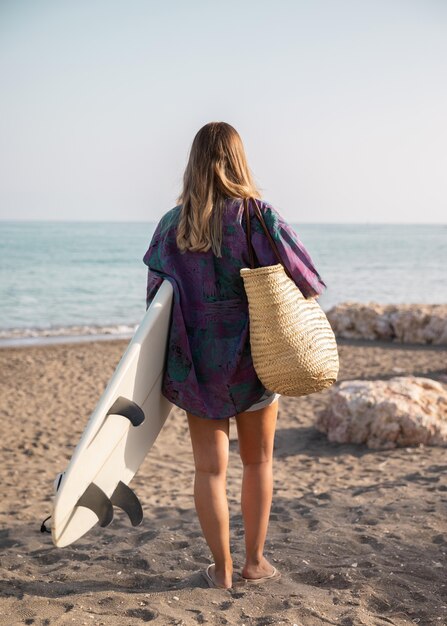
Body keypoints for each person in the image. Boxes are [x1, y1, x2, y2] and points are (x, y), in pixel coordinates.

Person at [142, 122, 327, 589]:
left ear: (194, 163)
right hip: (256, 355)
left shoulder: (173, 224)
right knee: (258, 461)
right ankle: (255, 563)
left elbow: (155, 303)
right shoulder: (258, 216)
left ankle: (221, 572)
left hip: (198, 362)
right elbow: (307, 278)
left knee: (208, 468)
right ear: (238, 160)